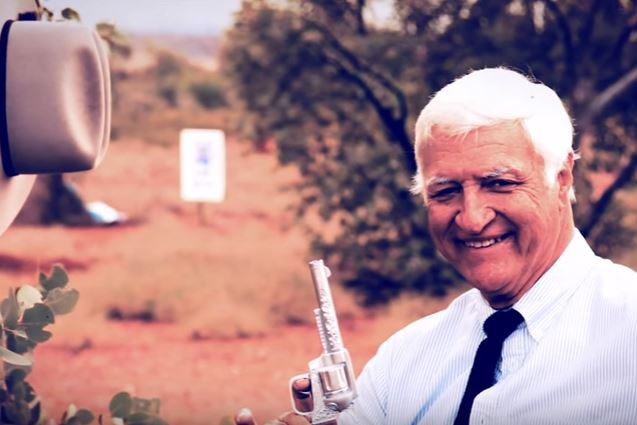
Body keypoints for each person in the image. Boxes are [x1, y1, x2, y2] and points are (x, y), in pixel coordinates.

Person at [235, 67, 637, 424]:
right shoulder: (403, 361)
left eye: (500, 183)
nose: (472, 217)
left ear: (563, 177)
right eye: (445, 191)